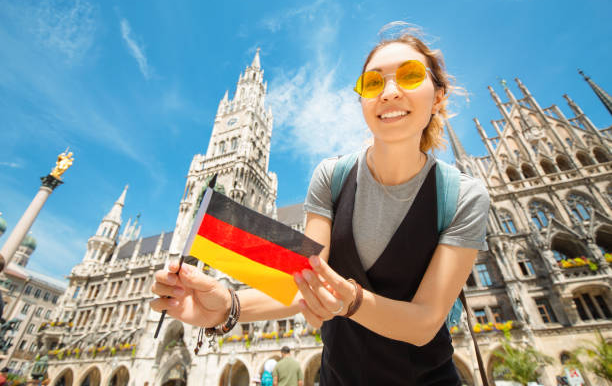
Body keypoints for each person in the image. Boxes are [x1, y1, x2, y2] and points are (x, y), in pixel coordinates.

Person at [151, 22, 490, 385]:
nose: (389, 92)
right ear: (361, 99)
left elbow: (425, 322)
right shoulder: (332, 176)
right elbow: (303, 282)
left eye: (409, 76)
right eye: (373, 82)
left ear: (438, 95)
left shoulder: (462, 196)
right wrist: (226, 306)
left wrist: (352, 302)